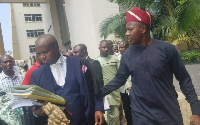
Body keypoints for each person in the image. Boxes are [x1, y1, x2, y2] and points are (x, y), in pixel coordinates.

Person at [101, 7, 200, 125]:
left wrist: (196, 111)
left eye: (130, 29)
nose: (126, 33)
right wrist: (97, 93)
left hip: (168, 113)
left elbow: (184, 79)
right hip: (141, 114)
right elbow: (119, 80)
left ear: (143, 29)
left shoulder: (167, 50)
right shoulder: (128, 54)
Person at [30, 34, 104, 125]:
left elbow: (95, 86)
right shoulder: (37, 75)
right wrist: (37, 112)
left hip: (87, 120)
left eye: (45, 52)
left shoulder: (79, 63)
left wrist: (99, 108)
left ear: (56, 48)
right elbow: (35, 104)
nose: (42, 56)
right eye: (38, 54)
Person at [96, 40, 121, 125]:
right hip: (105, 91)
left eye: (107, 47)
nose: (106, 49)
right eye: (103, 47)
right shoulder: (96, 61)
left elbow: (121, 74)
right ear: (99, 48)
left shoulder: (115, 59)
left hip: (115, 91)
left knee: (113, 115)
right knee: (114, 114)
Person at [0, 54, 24, 125]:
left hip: (22, 113)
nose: (9, 63)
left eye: (11, 61)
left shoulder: (21, 78)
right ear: (0, 64)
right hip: (7, 117)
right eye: (5, 62)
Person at [118, 40, 132, 125]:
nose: (120, 49)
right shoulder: (118, 59)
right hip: (124, 90)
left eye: (122, 47)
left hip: (134, 88)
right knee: (127, 110)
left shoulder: (133, 57)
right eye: (120, 47)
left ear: (127, 47)